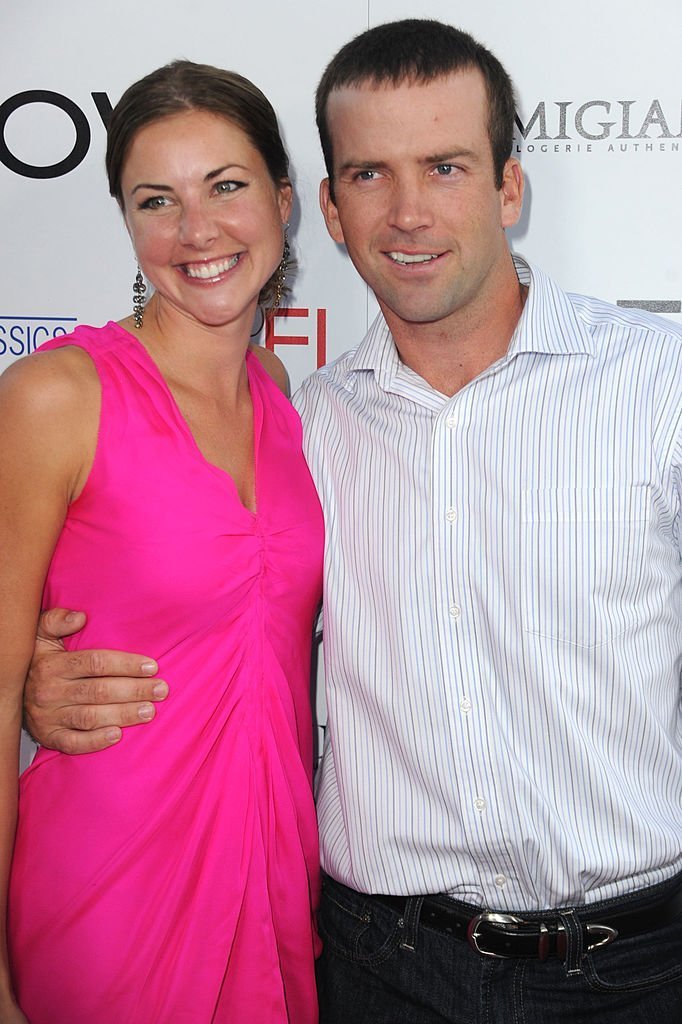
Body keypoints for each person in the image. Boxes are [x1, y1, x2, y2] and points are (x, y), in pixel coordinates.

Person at [23, 19, 682, 1023]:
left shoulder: (657, 381)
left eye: (445, 166)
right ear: (328, 208)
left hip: (634, 964)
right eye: (370, 174)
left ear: (509, 187)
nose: (408, 211)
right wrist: (33, 680)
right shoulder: (312, 418)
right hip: (379, 964)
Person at [0, 60, 323, 1023]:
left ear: (281, 198)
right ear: (128, 224)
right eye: (156, 201)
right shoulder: (56, 398)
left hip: (275, 890)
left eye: (225, 186)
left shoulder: (278, 389)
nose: (197, 231)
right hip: (111, 895)